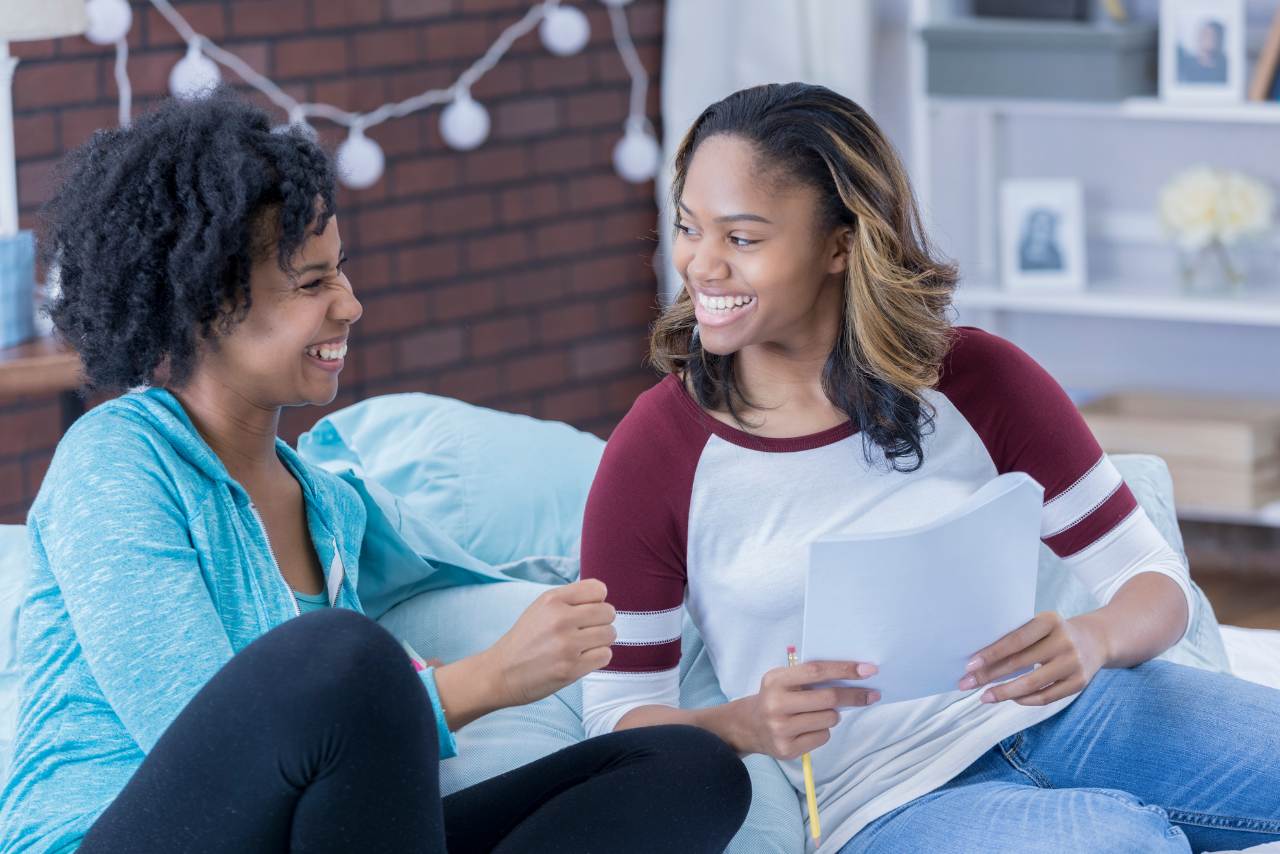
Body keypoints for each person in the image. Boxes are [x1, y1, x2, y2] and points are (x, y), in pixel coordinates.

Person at [0, 92, 751, 854]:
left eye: (343, 274)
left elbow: (472, 566)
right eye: (313, 283)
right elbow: (198, 722)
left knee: (689, 770)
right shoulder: (116, 459)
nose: (351, 306)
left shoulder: (331, 508)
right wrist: (487, 680)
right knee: (341, 655)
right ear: (207, 303)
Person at [579, 83, 1280, 854]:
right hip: (885, 799)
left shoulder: (979, 378)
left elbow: (1150, 577)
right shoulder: (657, 449)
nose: (700, 265)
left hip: (1071, 714)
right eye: (688, 227)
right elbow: (616, 716)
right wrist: (743, 724)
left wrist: (1094, 639)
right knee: (1126, 845)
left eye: (741, 239)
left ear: (840, 245)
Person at [1177, 19, 1228, 84]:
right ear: (1199, 37)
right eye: (1207, 35)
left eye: (1215, 36)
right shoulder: (1185, 66)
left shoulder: (1227, 68)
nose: (1211, 39)